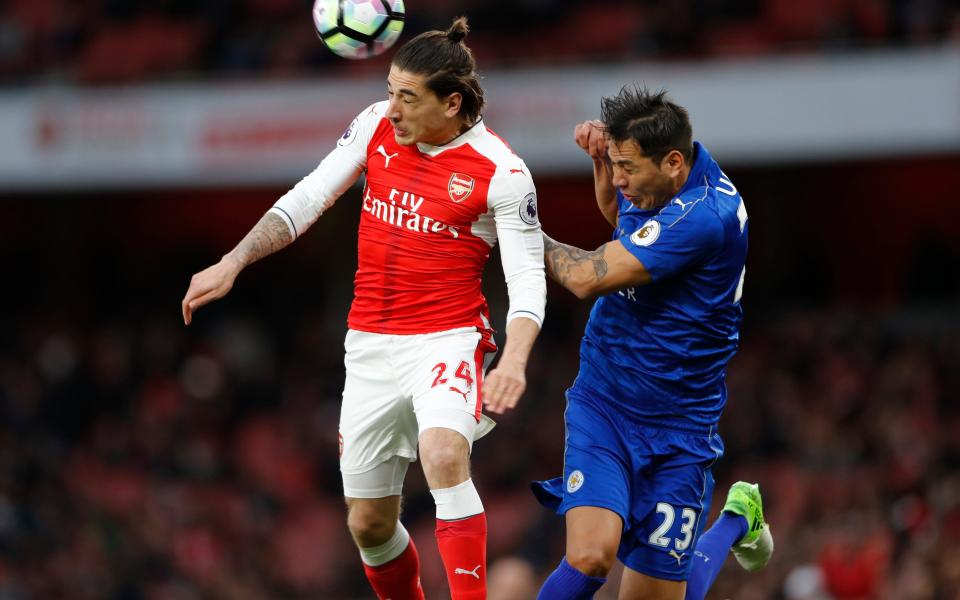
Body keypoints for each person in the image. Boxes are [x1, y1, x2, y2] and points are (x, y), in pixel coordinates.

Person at [181, 18, 546, 600]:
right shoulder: (375, 126)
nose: (392, 108)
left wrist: (515, 362)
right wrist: (233, 261)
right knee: (369, 526)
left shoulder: (502, 172)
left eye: (407, 96)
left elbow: (526, 280)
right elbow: (309, 196)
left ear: (452, 103)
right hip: (370, 345)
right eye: (389, 90)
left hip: (448, 338)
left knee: (444, 451)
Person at [530, 85, 773, 599]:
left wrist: (513, 225)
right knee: (590, 555)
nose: (619, 181)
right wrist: (605, 162)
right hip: (607, 402)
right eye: (616, 165)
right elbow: (624, 221)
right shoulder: (661, 182)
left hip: (681, 428)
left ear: (674, 162)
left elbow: (587, 277)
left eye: (627, 169)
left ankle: (735, 518)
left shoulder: (706, 217)